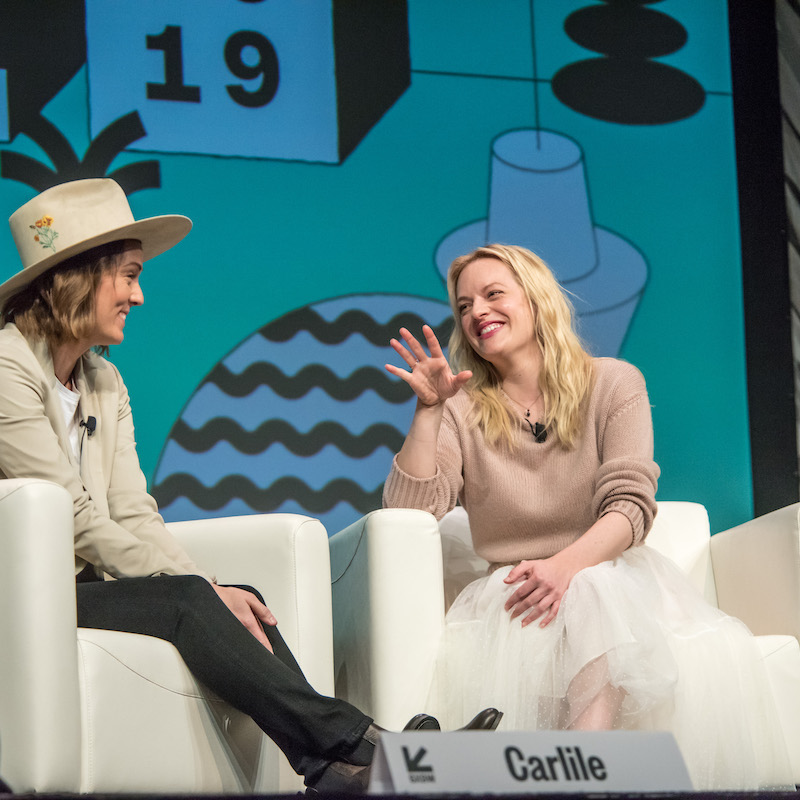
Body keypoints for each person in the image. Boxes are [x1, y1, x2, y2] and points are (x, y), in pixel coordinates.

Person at [0, 178, 500, 796]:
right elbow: (73, 518)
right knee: (191, 600)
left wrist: (214, 589)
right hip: (21, 601)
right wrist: (199, 590)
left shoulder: (106, 382)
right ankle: (363, 749)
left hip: (80, 591)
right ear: (78, 276)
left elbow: (133, 511)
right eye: (128, 276)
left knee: (240, 597)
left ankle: (337, 768)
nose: (140, 295)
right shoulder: (5, 370)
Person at [383, 243, 793, 790]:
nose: (476, 311)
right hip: (518, 590)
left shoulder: (613, 383)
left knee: (593, 589)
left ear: (536, 299)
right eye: (463, 305)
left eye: (493, 293)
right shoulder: (461, 409)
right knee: (566, 603)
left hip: (609, 575)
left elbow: (629, 507)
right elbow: (409, 515)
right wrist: (429, 414)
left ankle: (581, 772)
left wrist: (565, 568)